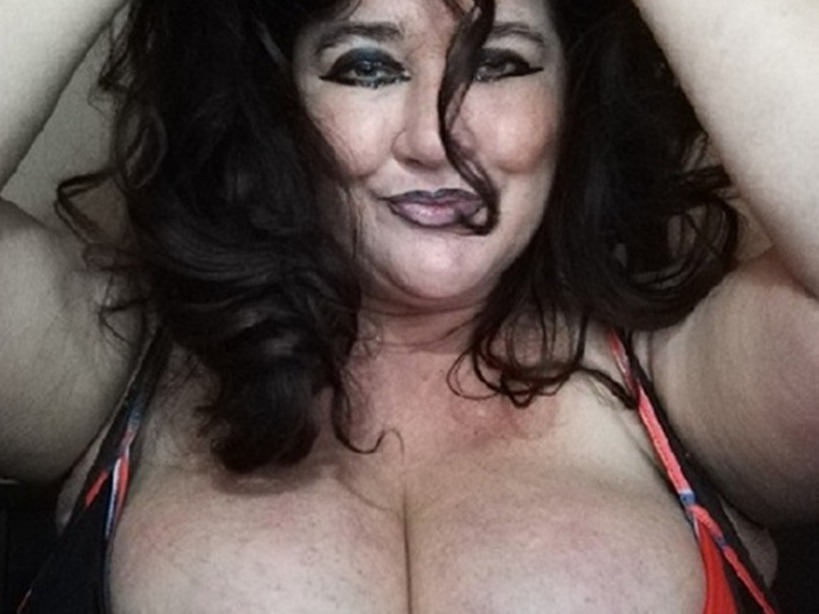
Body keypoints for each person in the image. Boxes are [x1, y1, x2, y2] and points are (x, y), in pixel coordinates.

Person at [1, 0, 817, 611]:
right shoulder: (115, 363)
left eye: (499, 63)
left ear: (573, 102)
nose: (436, 138)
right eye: (365, 66)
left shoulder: (687, 392)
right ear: (277, 106)